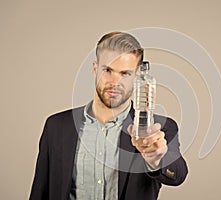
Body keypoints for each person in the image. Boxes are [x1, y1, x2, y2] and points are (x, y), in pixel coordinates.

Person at [29, 31, 188, 200]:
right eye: (107, 70)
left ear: (138, 76)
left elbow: (178, 175)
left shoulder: (158, 129)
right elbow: (40, 191)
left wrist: (156, 160)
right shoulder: (56, 126)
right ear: (95, 69)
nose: (114, 82)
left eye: (125, 73)